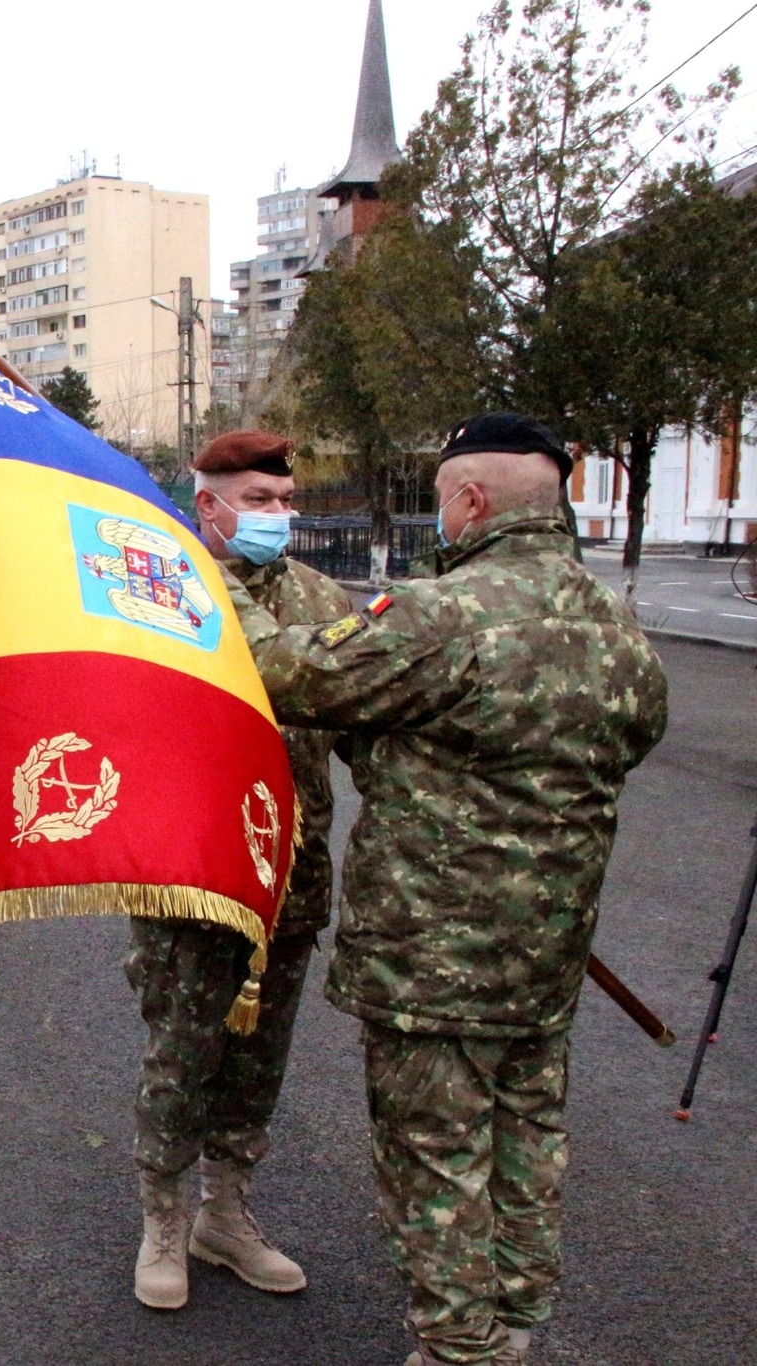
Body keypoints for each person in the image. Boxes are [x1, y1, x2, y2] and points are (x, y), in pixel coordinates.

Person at [224, 414, 668, 1366]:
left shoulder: (443, 615)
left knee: (436, 1152)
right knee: (528, 1134)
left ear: (470, 501)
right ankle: (514, 1323)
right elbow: (628, 741)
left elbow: (283, 673)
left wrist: (225, 586)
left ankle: (460, 1346)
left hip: (436, 957)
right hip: (547, 947)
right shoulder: (617, 626)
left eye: (440, 499)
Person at [126, 430, 348, 1310]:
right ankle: (164, 1223)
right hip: (192, 869)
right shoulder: (158, 592)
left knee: (259, 1059)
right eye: (258, 500)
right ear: (207, 504)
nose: (277, 517)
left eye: (283, 501)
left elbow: (364, 718)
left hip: (290, 872)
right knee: (183, 1053)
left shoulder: (320, 596)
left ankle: (227, 1214)